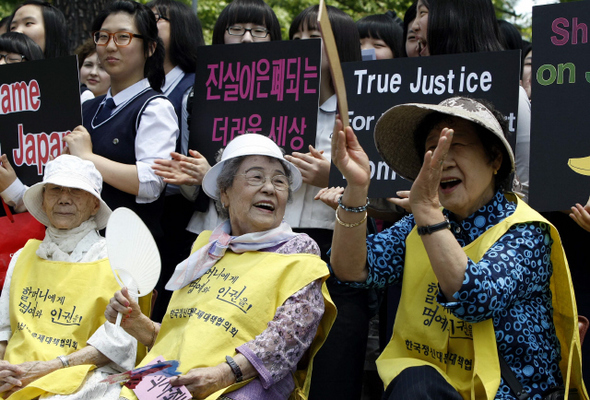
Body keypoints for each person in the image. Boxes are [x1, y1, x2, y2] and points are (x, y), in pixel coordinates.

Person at [328, 96, 587, 399]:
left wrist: (426, 212)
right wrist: (357, 190)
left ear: (495, 159)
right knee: (416, 384)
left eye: (455, 145)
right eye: (432, 149)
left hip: (510, 394)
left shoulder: (526, 231)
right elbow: (354, 268)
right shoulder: (420, 223)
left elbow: (474, 299)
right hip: (429, 386)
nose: (442, 160)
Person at [106, 133, 336, 400]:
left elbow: (285, 342)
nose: (269, 189)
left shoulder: (299, 254)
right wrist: (139, 325)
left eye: (279, 181)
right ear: (224, 193)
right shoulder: (206, 248)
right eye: (256, 177)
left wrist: (222, 375)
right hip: (170, 382)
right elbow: (189, 334)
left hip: (240, 386)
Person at [0, 155, 137, 400]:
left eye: (76, 191)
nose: (64, 198)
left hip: (82, 377)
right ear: (43, 200)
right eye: (55, 190)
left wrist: (53, 366)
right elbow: (3, 331)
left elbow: (119, 342)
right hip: (15, 375)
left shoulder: (118, 260)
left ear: (95, 204)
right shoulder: (23, 255)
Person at [64, 0, 179, 238]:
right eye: (103, 37)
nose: (110, 46)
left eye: (123, 37)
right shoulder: (89, 107)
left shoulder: (155, 108)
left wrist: (87, 157)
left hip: (129, 249)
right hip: (82, 243)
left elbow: (150, 184)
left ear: (150, 48)